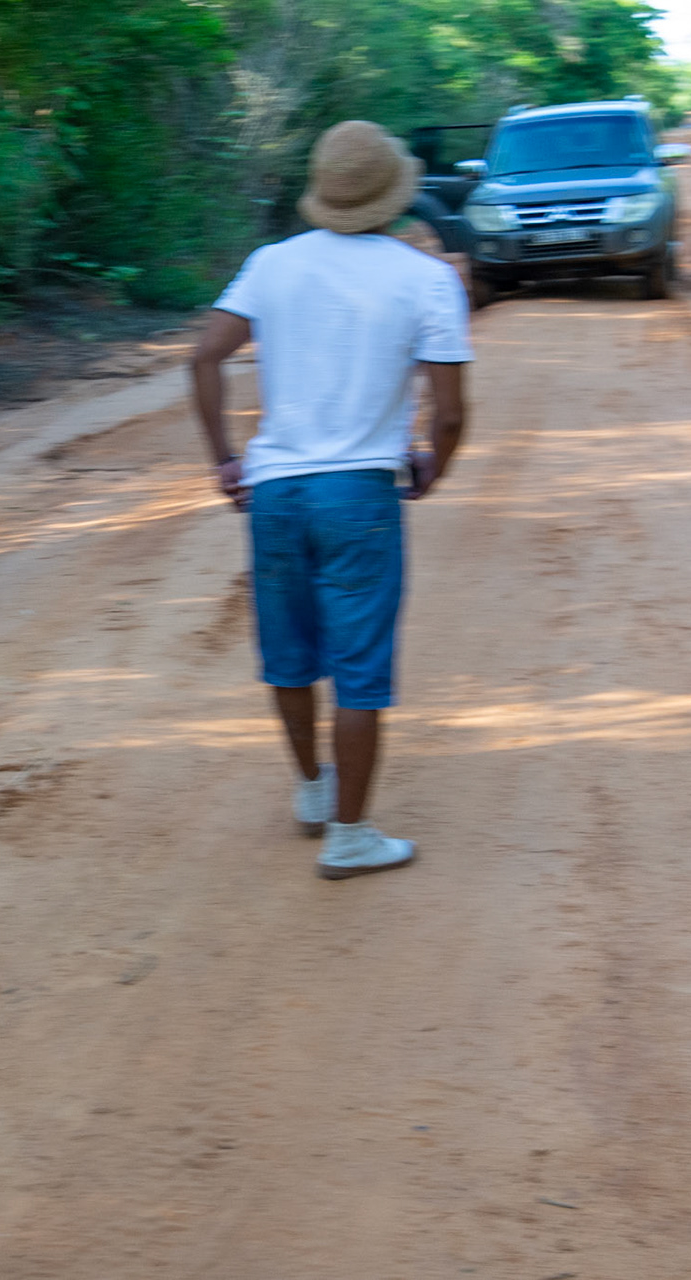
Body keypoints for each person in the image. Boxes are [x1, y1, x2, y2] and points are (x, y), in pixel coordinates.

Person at [191, 120, 472, 880]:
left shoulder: (271, 265)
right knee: (358, 668)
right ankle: (351, 833)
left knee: (288, 655)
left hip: (277, 492)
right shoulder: (426, 279)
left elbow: (205, 355)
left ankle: (314, 790)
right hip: (359, 496)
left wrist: (225, 459)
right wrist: (430, 467)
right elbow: (448, 412)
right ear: (394, 195)